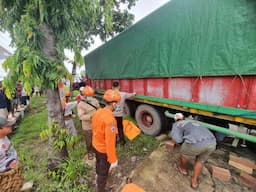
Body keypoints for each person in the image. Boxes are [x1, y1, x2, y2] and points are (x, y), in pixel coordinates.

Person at [170, 113, 216, 189]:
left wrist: (179, 143)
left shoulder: (177, 124)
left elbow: (178, 139)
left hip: (196, 143)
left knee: (184, 153)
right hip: (212, 142)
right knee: (200, 161)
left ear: (175, 120)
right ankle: (194, 181)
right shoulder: (192, 122)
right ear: (183, 118)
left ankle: (182, 169)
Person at [92, 89, 121, 192]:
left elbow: (94, 128)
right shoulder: (110, 120)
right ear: (113, 104)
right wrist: (113, 160)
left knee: (98, 164)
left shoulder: (98, 112)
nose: (117, 105)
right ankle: (100, 188)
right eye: (117, 103)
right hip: (104, 150)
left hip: (95, 145)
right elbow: (110, 142)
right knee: (104, 173)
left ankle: (98, 176)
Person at [77, 86, 100, 160]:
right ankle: (90, 152)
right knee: (89, 141)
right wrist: (91, 116)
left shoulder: (95, 101)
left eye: (91, 95)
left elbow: (99, 108)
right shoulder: (81, 104)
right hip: (87, 126)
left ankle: (96, 151)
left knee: (96, 139)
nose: (90, 97)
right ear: (84, 95)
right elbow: (81, 117)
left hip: (96, 124)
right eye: (89, 96)